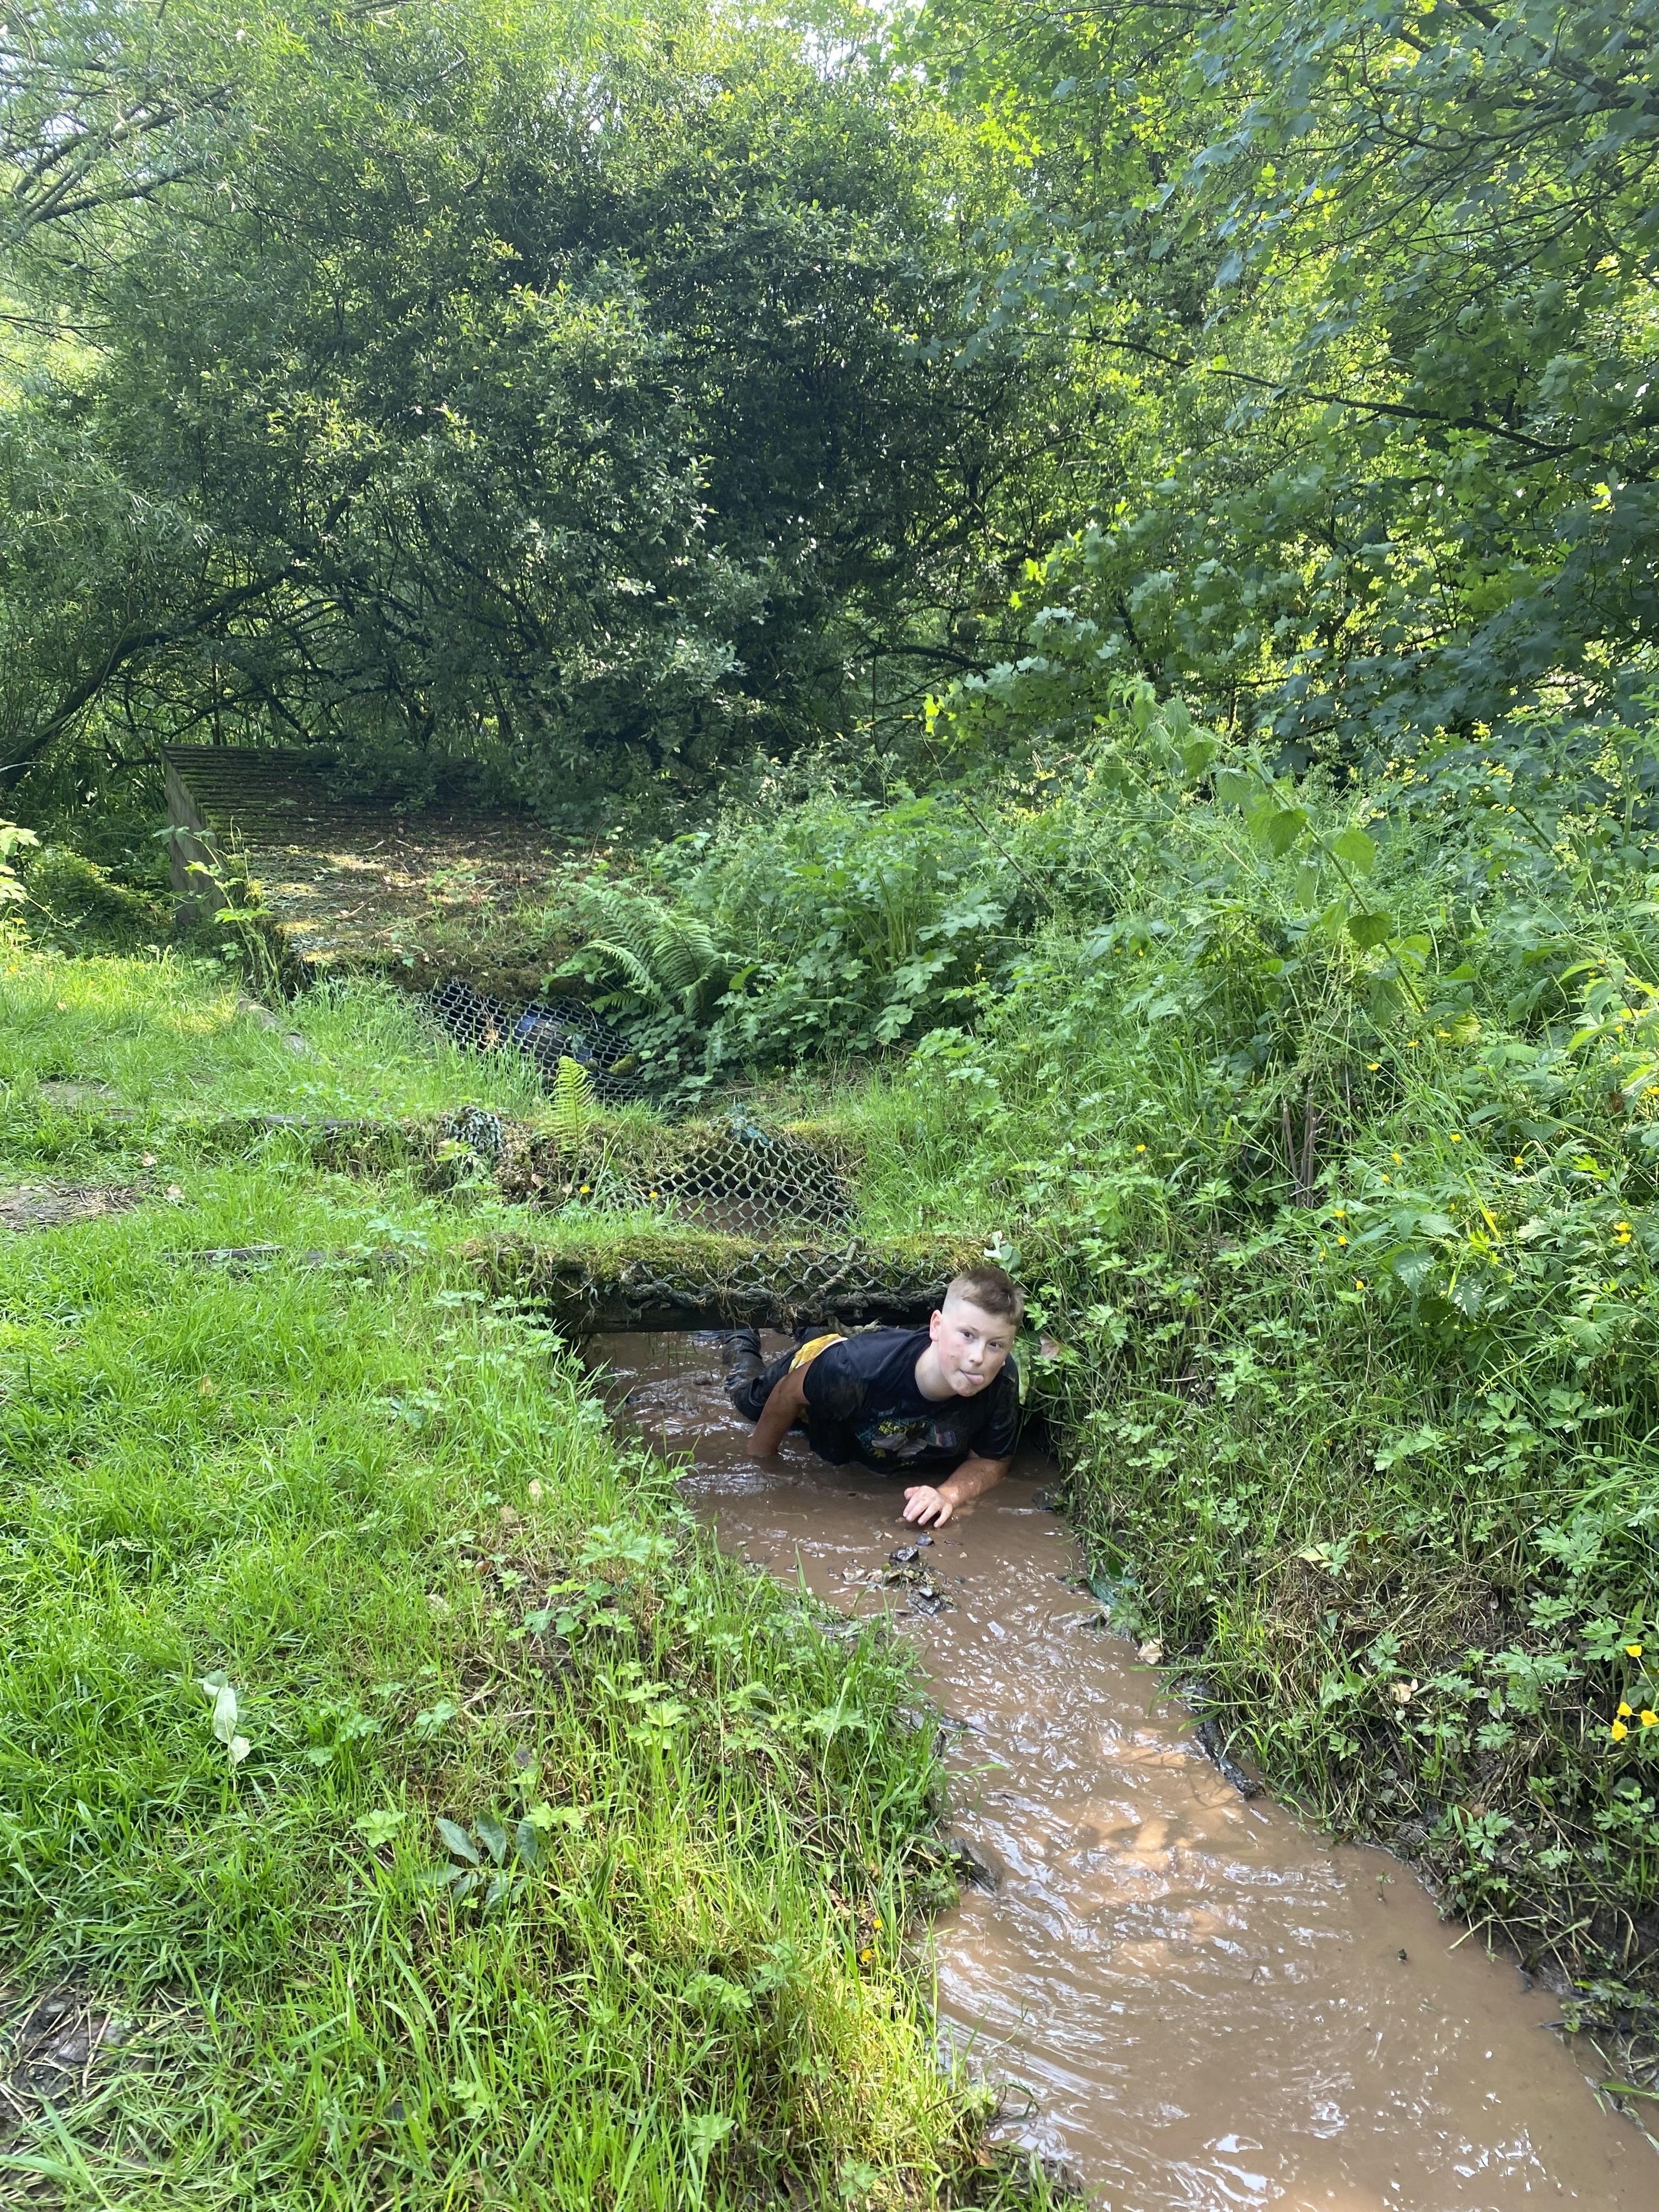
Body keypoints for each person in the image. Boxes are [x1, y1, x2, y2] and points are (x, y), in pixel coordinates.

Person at [724, 1266, 1023, 1527]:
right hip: (817, 1374)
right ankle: (738, 1334)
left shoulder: (1002, 1381)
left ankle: (810, 1330)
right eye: (967, 1335)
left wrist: (948, 1495)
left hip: (847, 1383)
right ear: (937, 1326)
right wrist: (764, 1473)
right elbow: (786, 1394)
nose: (978, 1357)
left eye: (995, 1345)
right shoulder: (854, 1368)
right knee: (745, 1397)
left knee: (833, 1356)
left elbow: (992, 1460)